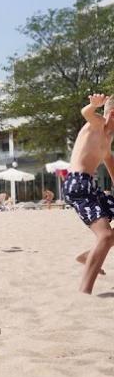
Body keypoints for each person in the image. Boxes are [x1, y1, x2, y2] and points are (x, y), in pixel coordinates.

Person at [62, 94, 114, 294]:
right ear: (112, 114)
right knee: (106, 235)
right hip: (77, 185)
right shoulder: (97, 123)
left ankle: (90, 255)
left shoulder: (108, 139)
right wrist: (93, 106)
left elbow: (110, 164)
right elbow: (86, 113)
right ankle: (84, 293)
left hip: (90, 187)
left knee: (106, 237)